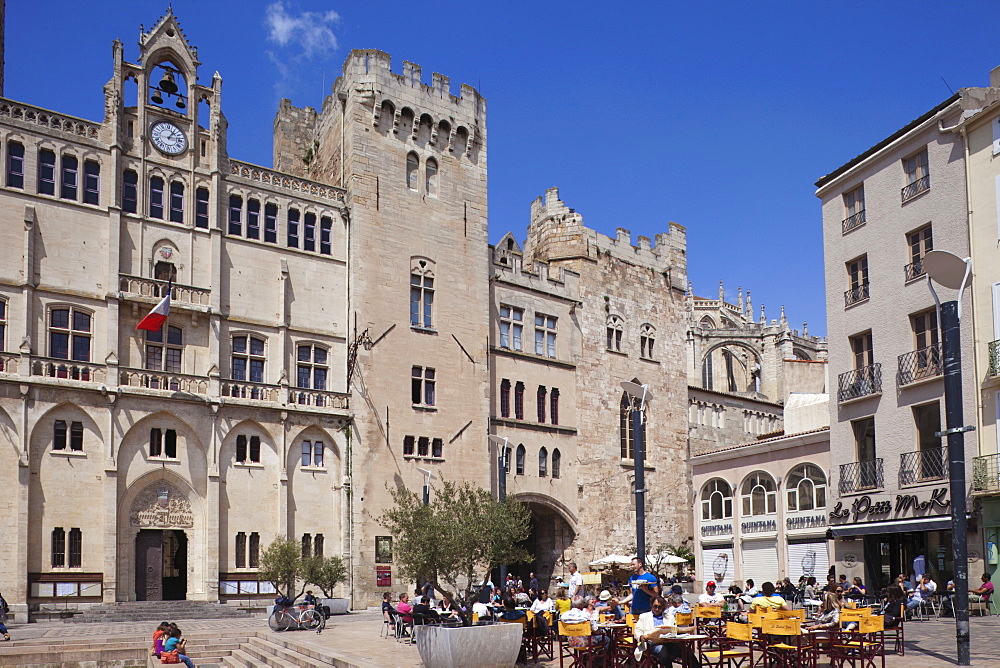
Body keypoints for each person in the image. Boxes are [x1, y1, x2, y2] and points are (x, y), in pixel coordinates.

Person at [634, 594, 700, 668]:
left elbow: (674, 629)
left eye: (659, 607)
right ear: (651, 605)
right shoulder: (644, 616)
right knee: (663, 652)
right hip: (652, 644)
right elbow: (637, 630)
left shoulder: (669, 617)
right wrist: (641, 637)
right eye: (655, 606)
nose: (657, 609)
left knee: (687, 652)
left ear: (663, 608)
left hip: (669, 642)